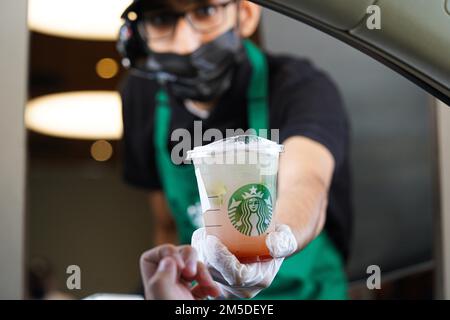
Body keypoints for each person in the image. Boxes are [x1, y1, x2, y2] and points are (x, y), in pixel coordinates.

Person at [118, 0, 352, 299]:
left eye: (205, 11)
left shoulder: (299, 87)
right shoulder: (142, 97)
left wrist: (276, 243)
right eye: (162, 19)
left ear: (245, 13)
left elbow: (308, 183)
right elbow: (165, 222)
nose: (187, 43)